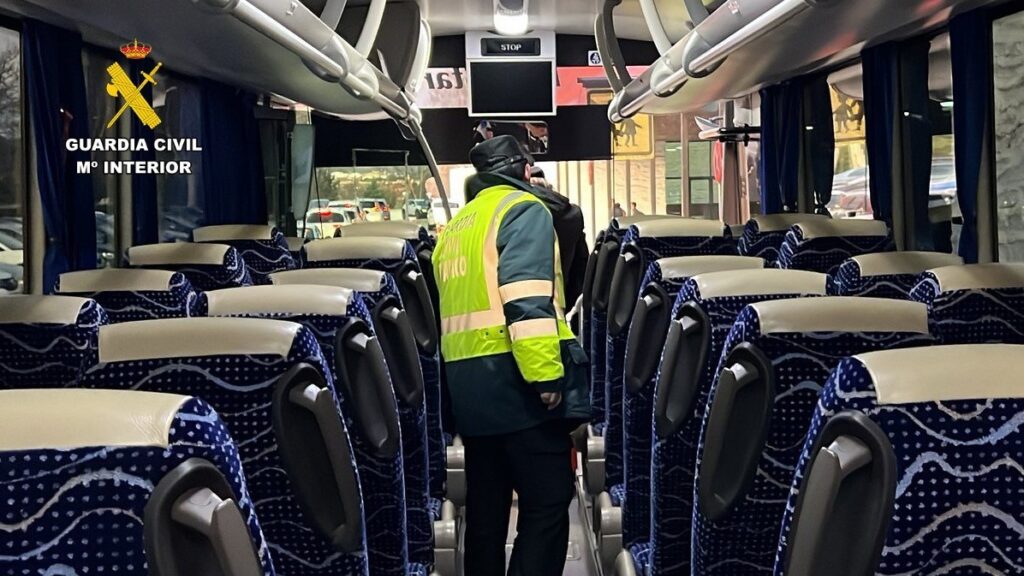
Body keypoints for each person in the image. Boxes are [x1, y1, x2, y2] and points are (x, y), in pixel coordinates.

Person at [433, 135, 589, 576]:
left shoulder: (457, 226)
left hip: (468, 389)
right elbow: (526, 300)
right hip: (515, 381)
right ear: (524, 170)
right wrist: (546, 378)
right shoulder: (523, 210)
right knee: (548, 501)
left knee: (486, 511)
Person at [529, 166, 588, 310]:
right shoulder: (572, 216)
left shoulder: (514, 215)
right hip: (559, 306)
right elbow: (581, 268)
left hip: (519, 308)